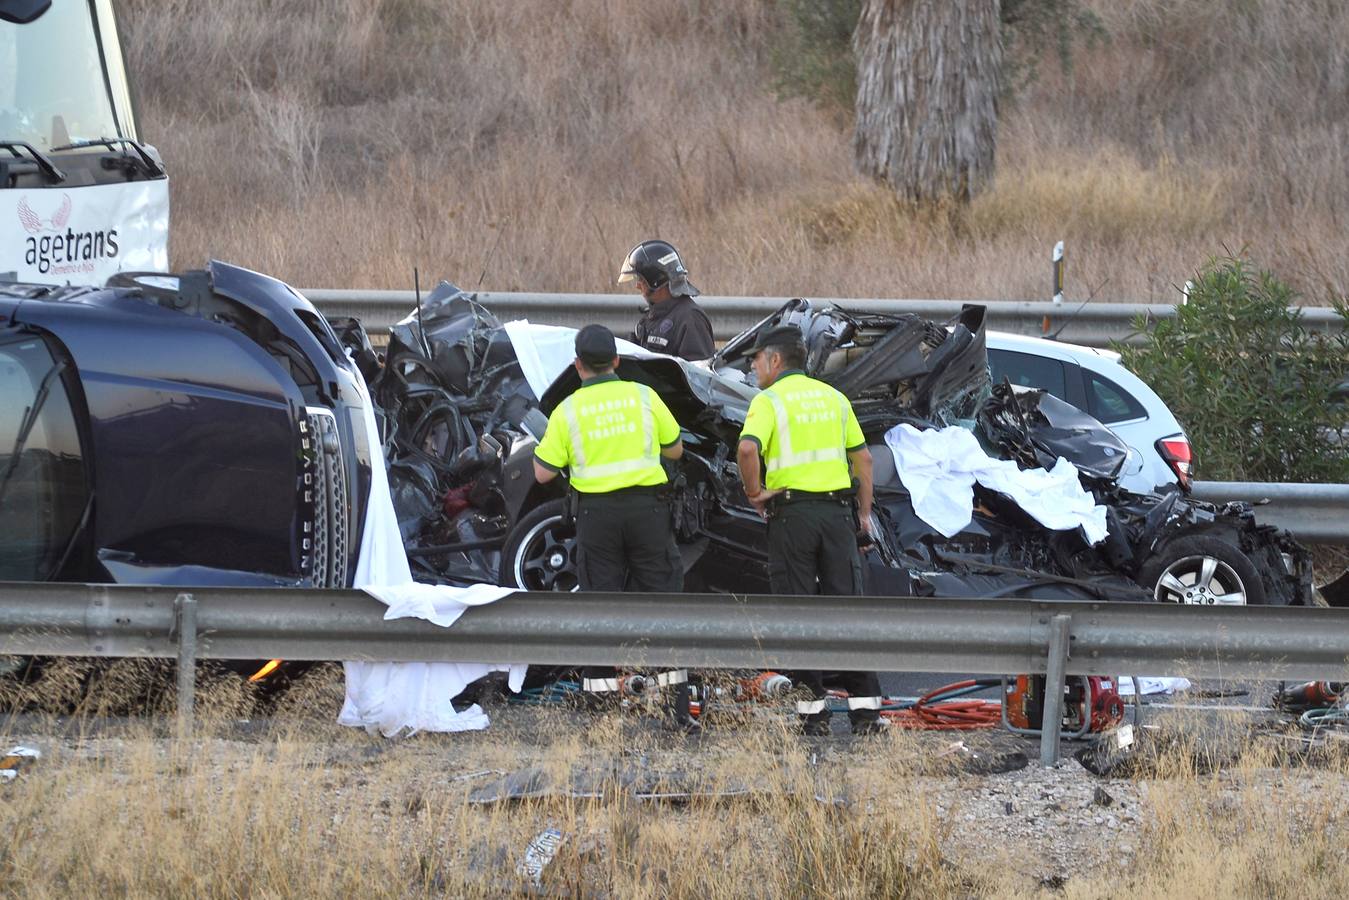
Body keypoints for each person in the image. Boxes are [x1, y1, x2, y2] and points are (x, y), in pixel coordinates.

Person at [532, 324, 695, 726]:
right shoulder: (644, 396)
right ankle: (675, 708)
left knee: (600, 604)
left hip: (597, 516)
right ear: (617, 361)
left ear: (578, 365)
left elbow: (540, 473)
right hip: (648, 513)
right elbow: (675, 448)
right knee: (663, 603)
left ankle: (601, 710)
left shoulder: (568, 409)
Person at [734, 324, 886, 736]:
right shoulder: (835, 399)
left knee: (797, 611)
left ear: (775, 361)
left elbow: (747, 449)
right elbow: (864, 461)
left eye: (756, 359)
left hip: (792, 516)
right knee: (846, 613)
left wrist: (755, 493)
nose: (753, 366)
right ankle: (867, 715)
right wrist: (864, 516)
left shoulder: (768, 401)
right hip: (838, 516)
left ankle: (813, 716)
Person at [618, 239, 715, 361]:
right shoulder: (652, 317)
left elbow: (699, 375)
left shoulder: (690, 319)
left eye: (641, 280)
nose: (637, 286)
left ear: (655, 281)